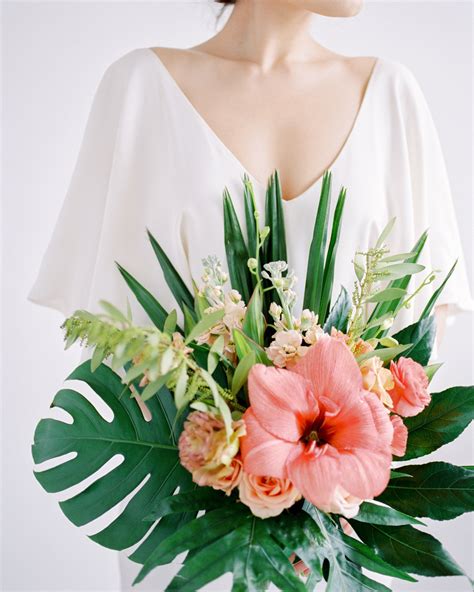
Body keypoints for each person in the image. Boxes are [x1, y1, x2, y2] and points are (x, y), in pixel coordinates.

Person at [27, 1, 473, 590]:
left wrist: (319, 506)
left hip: (332, 539)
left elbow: (408, 351)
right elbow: (120, 345)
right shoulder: (141, 90)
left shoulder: (391, 97)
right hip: (192, 531)